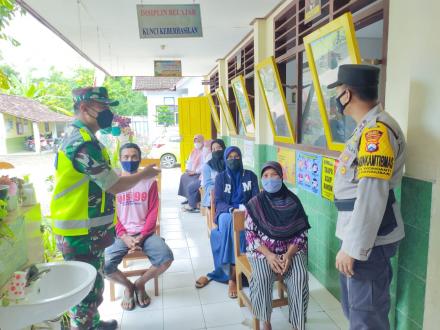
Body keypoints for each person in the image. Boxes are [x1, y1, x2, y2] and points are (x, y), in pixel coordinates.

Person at [51, 87, 160, 330]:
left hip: (88, 229)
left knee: (93, 284)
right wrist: (145, 174)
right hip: (78, 231)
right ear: (84, 108)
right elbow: (114, 184)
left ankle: (95, 324)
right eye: (102, 107)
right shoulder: (81, 143)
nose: (107, 112)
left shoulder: (84, 137)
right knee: (84, 291)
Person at [328, 64, 406, 330]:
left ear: (347, 94)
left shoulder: (377, 132)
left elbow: (372, 195)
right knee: (355, 311)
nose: (337, 98)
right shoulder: (364, 128)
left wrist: (353, 249)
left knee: (366, 318)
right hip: (357, 236)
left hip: (368, 242)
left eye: (338, 91)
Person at [104, 143, 173, 311]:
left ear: (140, 159)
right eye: (126, 157)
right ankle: (128, 286)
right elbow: (111, 212)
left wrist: (142, 235)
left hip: (146, 233)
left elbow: (153, 211)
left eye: (134, 157)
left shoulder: (149, 181)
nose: (130, 160)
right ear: (120, 159)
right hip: (121, 235)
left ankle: (140, 283)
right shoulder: (113, 182)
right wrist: (123, 235)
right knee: (103, 266)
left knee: (166, 258)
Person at [245, 161, 310, 330]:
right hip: (263, 252)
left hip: (291, 251)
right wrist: (269, 255)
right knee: (262, 278)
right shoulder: (255, 203)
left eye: (274, 175)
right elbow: (250, 234)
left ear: (281, 177)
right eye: (265, 176)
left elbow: (301, 234)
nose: (270, 179)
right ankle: (265, 322)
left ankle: (298, 323)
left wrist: (288, 255)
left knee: (300, 278)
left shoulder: (293, 201)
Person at [195, 146, 259, 298]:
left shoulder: (250, 176)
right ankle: (232, 277)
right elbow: (218, 201)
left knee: (238, 226)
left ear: (241, 158)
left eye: (237, 156)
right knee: (228, 221)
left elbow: (257, 198)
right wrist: (232, 210)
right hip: (226, 211)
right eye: (230, 157)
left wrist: (247, 210)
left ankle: (232, 273)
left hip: (247, 211)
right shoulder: (221, 177)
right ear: (225, 159)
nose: (233, 159)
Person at [178, 134, 205, 212]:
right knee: (184, 177)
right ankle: (188, 198)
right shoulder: (194, 150)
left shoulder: (204, 151)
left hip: (199, 173)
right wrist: (188, 169)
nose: (196, 143)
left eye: (198, 141)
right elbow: (189, 161)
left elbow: (204, 165)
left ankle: (193, 202)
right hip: (192, 171)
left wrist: (195, 171)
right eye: (195, 141)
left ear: (203, 141)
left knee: (192, 182)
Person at [201, 139, 226, 208]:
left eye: (219, 148)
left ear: (224, 148)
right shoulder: (208, 166)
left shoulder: (229, 163)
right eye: (213, 149)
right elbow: (207, 184)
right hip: (214, 193)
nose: (216, 151)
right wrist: (219, 187)